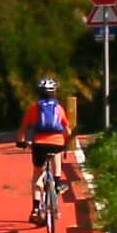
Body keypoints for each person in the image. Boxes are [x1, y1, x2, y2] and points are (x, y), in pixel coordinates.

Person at [15, 76, 73, 222]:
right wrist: (65, 143)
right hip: (57, 143)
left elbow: (23, 128)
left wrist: (21, 142)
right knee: (57, 153)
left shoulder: (35, 108)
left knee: (37, 174)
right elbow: (68, 130)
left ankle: (35, 210)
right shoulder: (59, 108)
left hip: (39, 144)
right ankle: (58, 182)